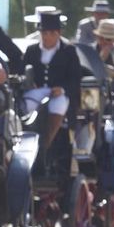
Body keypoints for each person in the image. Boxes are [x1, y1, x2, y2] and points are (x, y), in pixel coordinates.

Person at [21, 11, 84, 168]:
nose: (47, 37)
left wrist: (62, 89)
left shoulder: (69, 51)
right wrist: (28, 83)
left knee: (59, 104)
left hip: (58, 94)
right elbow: (23, 72)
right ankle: (27, 139)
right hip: (37, 92)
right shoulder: (32, 50)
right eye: (44, 33)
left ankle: (45, 144)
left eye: (51, 33)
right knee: (26, 104)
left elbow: (75, 78)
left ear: (58, 33)